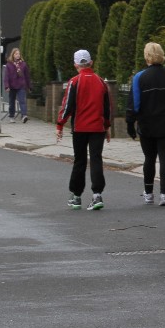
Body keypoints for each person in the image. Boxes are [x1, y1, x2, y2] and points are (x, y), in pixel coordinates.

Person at [127, 42, 165, 206]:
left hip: (147, 123)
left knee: (149, 158)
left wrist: (130, 123)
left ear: (147, 57)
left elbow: (134, 103)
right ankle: (164, 194)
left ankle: (149, 193)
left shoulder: (140, 77)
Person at [56, 49, 111, 211]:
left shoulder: (74, 82)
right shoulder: (101, 82)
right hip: (98, 128)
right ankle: (97, 195)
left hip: (80, 128)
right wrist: (107, 126)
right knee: (96, 159)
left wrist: (60, 124)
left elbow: (67, 105)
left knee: (79, 160)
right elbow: (107, 107)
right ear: (91, 62)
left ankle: (76, 196)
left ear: (75, 65)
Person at [4, 47, 31, 123]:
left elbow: (27, 76)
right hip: (12, 86)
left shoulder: (23, 64)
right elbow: (6, 76)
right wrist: (7, 86)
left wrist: (29, 86)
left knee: (22, 101)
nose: (18, 55)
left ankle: (24, 115)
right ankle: (12, 116)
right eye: (16, 54)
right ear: (13, 55)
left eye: (19, 54)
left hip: (21, 85)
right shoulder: (9, 65)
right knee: (11, 102)